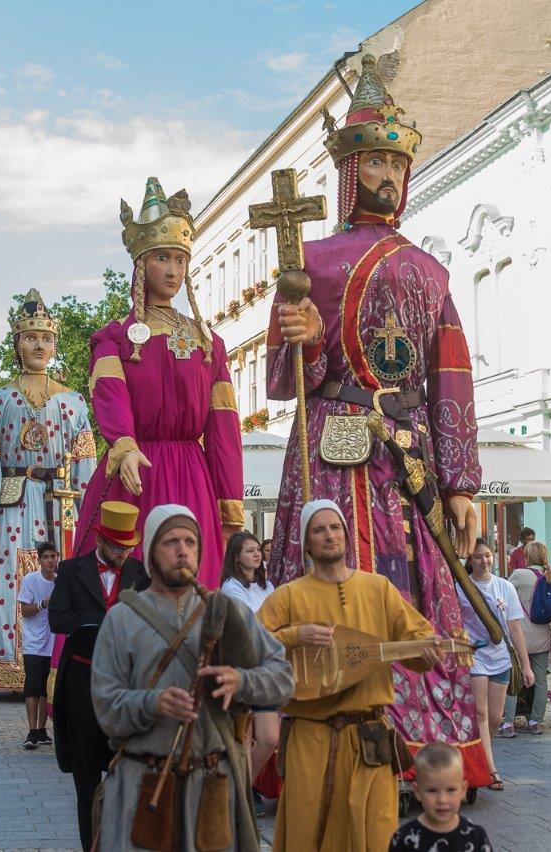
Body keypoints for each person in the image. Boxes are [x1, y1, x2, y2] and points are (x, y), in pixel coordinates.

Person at [264, 55, 488, 791]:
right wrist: (302, 338)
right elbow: (282, 381)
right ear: (349, 169)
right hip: (331, 441)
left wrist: (460, 481)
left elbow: (451, 377)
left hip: (408, 455)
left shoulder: (432, 271)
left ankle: (427, 747)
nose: (387, 175)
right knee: (332, 571)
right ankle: (322, 724)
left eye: (397, 162)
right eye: (375, 161)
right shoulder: (308, 262)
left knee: (411, 586)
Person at [91, 504, 293, 852]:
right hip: (143, 785)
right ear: (151, 551)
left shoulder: (227, 611)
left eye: (190, 542)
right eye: (171, 541)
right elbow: (106, 705)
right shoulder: (121, 619)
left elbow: (282, 677)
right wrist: (153, 703)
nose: (182, 550)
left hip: (212, 786)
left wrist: (241, 682)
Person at [75, 178, 244, 589]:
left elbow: (224, 430)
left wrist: (230, 504)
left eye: (180, 261)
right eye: (162, 258)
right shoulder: (115, 338)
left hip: (192, 477)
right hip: (137, 471)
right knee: (127, 586)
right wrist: (124, 447)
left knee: (192, 585)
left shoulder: (209, 343)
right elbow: (110, 397)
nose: (172, 271)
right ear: (141, 264)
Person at [256, 500, 443, 852]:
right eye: (319, 530)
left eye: (335, 527)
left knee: (376, 837)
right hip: (310, 739)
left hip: (368, 740)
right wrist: (294, 635)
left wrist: (427, 653)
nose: (330, 535)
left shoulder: (378, 589)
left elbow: (416, 641)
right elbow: (247, 644)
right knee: (307, 837)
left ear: (346, 535)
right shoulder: (289, 596)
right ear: (306, 544)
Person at [0, 289, 97, 690]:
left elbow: (85, 463)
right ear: (17, 344)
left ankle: (57, 663)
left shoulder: (74, 403)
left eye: (46, 338)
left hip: (60, 505)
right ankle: (6, 666)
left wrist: (88, 511)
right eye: (30, 337)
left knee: (61, 578)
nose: (39, 345)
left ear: (55, 344)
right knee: (7, 574)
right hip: (12, 501)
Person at [49, 500, 150, 849]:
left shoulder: (142, 574)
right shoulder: (70, 570)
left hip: (126, 686)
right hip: (82, 684)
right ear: (101, 540)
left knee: (129, 773)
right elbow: (58, 618)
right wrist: (101, 623)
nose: (124, 554)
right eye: (118, 547)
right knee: (86, 780)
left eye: (128, 547)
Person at [460, 539, 534, 788]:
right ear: (470, 560)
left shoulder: (505, 586)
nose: (484, 561)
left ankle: (483, 754)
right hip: (475, 656)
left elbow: (515, 628)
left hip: (500, 657)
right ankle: (491, 769)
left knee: (494, 717)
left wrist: (526, 665)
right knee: (480, 713)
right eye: (478, 557)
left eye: (488, 555)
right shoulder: (461, 588)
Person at [218, 531, 280, 795]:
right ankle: (241, 799)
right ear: (236, 557)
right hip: (241, 667)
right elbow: (251, 623)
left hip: (266, 667)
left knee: (269, 738)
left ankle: (243, 788)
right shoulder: (230, 587)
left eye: (257, 549)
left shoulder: (267, 586)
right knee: (243, 737)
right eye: (250, 550)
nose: (257, 554)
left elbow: (276, 620)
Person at [388, 742, 492, 852]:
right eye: (432, 791)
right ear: (417, 791)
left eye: (450, 790)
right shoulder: (404, 839)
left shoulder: (476, 837)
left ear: (463, 790)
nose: (442, 800)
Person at [501, 540, 551, 735]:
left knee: (513, 677)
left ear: (528, 556)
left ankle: (507, 722)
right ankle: (535, 720)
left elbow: (504, 596)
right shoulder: (548, 575)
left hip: (520, 633)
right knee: (540, 680)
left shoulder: (519, 575)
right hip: (542, 634)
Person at [17, 540, 58, 749]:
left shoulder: (61, 582)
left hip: (54, 644)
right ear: (39, 560)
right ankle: (31, 731)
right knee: (33, 688)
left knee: (46, 690)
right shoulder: (30, 580)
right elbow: (24, 611)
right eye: (46, 557)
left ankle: (42, 730)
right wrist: (43, 603)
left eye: (53, 557)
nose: (50, 561)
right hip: (33, 644)